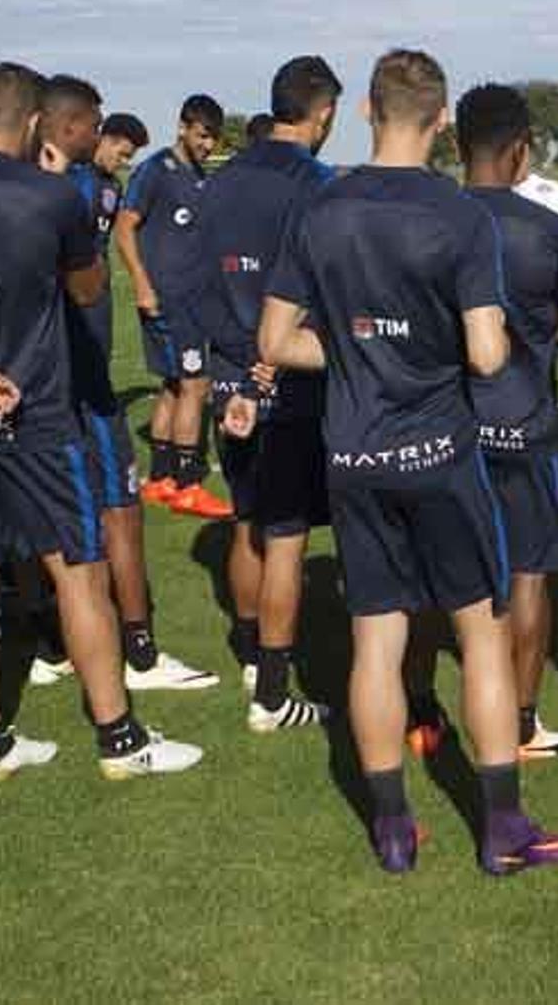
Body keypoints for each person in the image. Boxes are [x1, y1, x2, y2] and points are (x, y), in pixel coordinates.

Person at [259, 49, 558, 875]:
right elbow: (483, 353)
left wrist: (359, 350)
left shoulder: (322, 209)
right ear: (440, 121)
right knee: (481, 630)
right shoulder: (459, 215)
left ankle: (394, 828)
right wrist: (456, 342)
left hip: (354, 454)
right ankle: (502, 825)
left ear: (368, 108)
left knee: (375, 637)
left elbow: (274, 341)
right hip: (441, 452)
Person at [0, 61, 197, 781]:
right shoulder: (53, 198)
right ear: (28, 123)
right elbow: (86, 287)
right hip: (39, 415)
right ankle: (120, 739)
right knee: (81, 573)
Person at [36, 78, 218, 693]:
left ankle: (52, 644)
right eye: (95, 126)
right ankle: (139, 655)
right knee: (119, 511)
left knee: (43, 518)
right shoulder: (82, 190)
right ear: (66, 128)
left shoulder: (20, 188)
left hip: (29, 384)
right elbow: (85, 283)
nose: (102, 137)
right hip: (81, 385)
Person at [198, 56, 339, 731]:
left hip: (228, 373)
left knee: (245, 517)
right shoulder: (318, 183)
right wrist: (275, 357)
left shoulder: (219, 180)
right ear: (324, 112)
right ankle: (274, 693)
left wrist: (228, 360)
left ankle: (253, 654)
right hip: (286, 376)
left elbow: (193, 282)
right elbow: (326, 285)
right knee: (286, 538)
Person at [457, 83, 558, 759]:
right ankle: (523, 721)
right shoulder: (550, 230)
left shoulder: (433, 220)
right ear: (523, 150)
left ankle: (422, 712)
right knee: (529, 573)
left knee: (440, 576)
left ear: (457, 144)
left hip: (446, 429)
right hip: (525, 425)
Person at [115, 96, 231, 519]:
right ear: (182, 127)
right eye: (201, 135)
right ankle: (188, 483)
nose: (206, 144)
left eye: (212, 138)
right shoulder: (155, 171)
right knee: (196, 385)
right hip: (171, 299)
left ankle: (162, 477)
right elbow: (125, 229)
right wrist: (142, 284)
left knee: (173, 385)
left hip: (194, 300)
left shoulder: (199, 175)